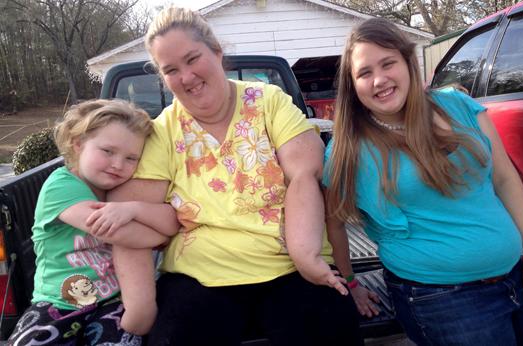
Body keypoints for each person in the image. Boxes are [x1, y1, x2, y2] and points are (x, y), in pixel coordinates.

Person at [107, 7, 362, 346]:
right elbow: (129, 212)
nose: (186, 77)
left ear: (216, 51)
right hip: (199, 276)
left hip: (290, 265)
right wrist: (140, 305)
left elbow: (304, 173)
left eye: (192, 58)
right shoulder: (162, 131)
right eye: (171, 70)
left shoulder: (267, 101)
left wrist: (304, 257)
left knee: (330, 331)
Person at [323, 17, 523, 346]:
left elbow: (505, 179)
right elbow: (333, 223)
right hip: (444, 300)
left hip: (517, 276)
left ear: (408, 62)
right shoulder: (349, 149)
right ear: (353, 85)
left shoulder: (459, 107)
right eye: (364, 73)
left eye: (388, 63)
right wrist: (351, 282)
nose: (379, 80)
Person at [7, 99, 180, 345]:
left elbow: (173, 218)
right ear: (78, 144)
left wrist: (133, 208)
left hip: (111, 302)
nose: (118, 164)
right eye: (108, 151)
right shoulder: (62, 186)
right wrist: (162, 235)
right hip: (59, 304)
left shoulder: (123, 191)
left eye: (132, 158)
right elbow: (117, 233)